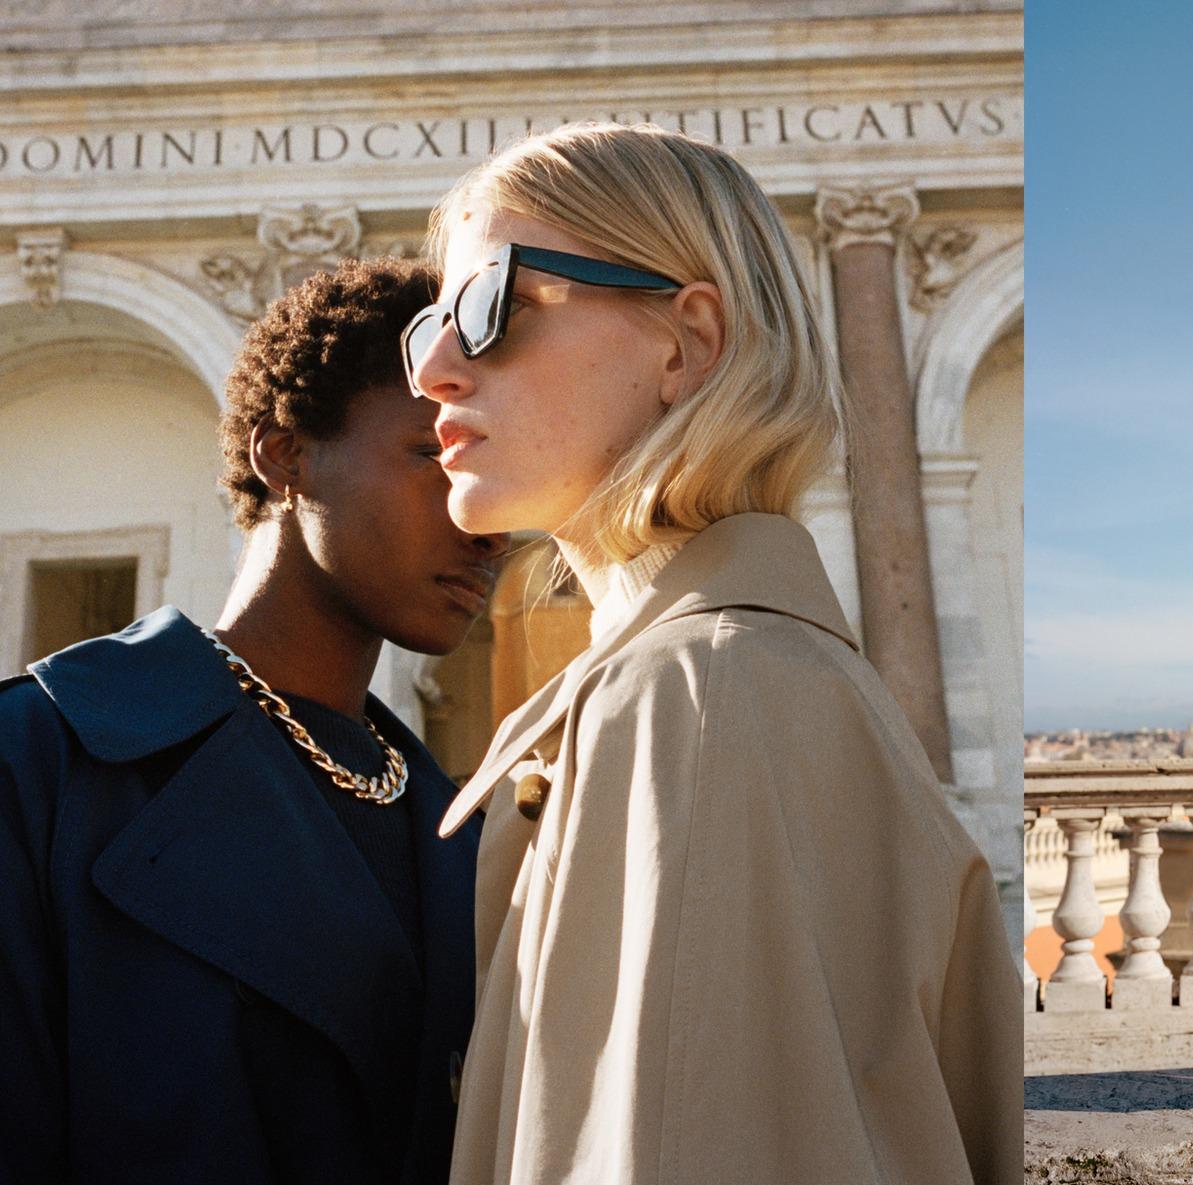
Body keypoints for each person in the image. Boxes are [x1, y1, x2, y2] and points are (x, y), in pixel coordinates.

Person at [405, 121, 1020, 1184]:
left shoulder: (692, 699)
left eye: (488, 305)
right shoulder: (722, 682)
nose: (438, 374)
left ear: (687, 341)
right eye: (428, 329)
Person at [0, 258, 509, 1183]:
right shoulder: (43, 760)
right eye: (436, 454)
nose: (484, 519)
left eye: (491, 471)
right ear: (286, 454)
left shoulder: (468, 841)